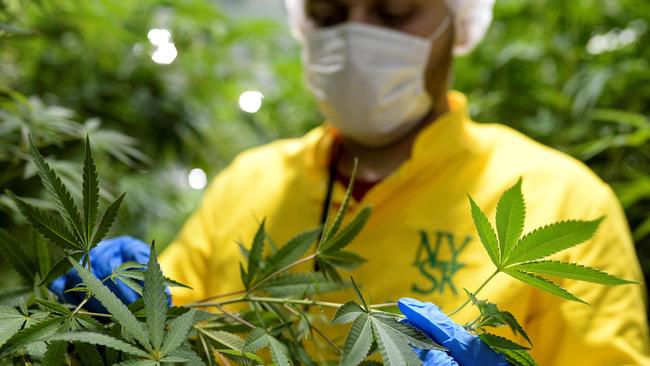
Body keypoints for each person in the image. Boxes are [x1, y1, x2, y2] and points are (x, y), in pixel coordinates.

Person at [52, 0, 650, 364]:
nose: (356, 36)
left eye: (393, 11)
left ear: (458, 20)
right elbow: (167, 332)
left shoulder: (563, 199)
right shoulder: (247, 184)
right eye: (329, 14)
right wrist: (108, 315)